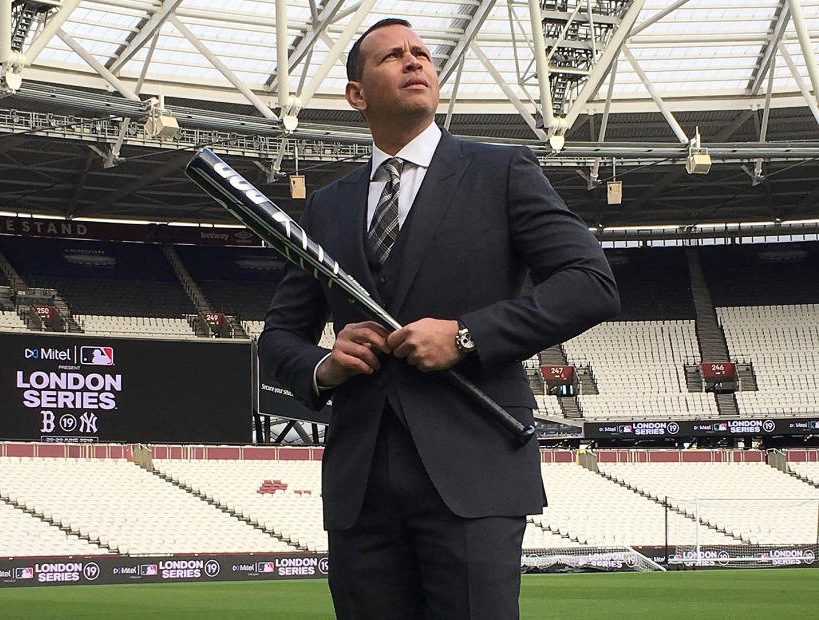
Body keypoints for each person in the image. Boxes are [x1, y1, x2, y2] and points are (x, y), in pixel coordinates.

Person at [259, 18, 619, 619]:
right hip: (361, 484)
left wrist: (466, 336)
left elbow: (591, 284)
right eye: (392, 56)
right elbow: (278, 338)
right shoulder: (328, 204)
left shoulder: (501, 171)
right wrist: (326, 364)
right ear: (356, 93)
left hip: (474, 471)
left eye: (422, 53)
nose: (414, 61)